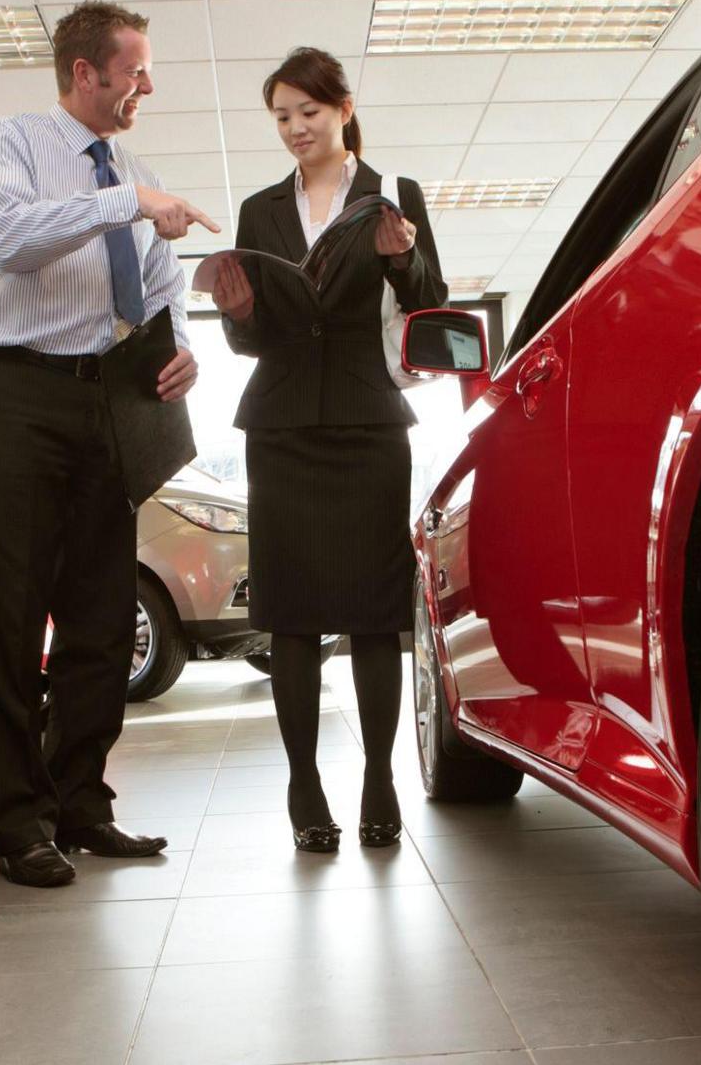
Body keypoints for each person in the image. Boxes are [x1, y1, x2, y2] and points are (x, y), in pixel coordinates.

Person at [0, 1, 219, 888]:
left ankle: (82, 804)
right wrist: (125, 199)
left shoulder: (129, 168)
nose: (146, 85)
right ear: (85, 73)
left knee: (102, 619)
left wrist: (179, 342)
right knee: (13, 613)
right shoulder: (14, 142)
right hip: (16, 393)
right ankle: (19, 823)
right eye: (134, 70)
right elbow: (10, 240)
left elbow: (156, 278)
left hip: (106, 400)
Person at [211, 47, 448, 852]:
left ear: (343, 108)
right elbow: (253, 335)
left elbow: (429, 305)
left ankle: (380, 775)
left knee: (377, 614)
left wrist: (400, 256)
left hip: (367, 422)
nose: (294, 129)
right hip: (281, 426)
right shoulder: (260, 208)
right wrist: (238, 313)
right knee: (293, 617)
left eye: (307, 113)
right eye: (280, 117)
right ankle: (304, 781)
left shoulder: (393, 195)